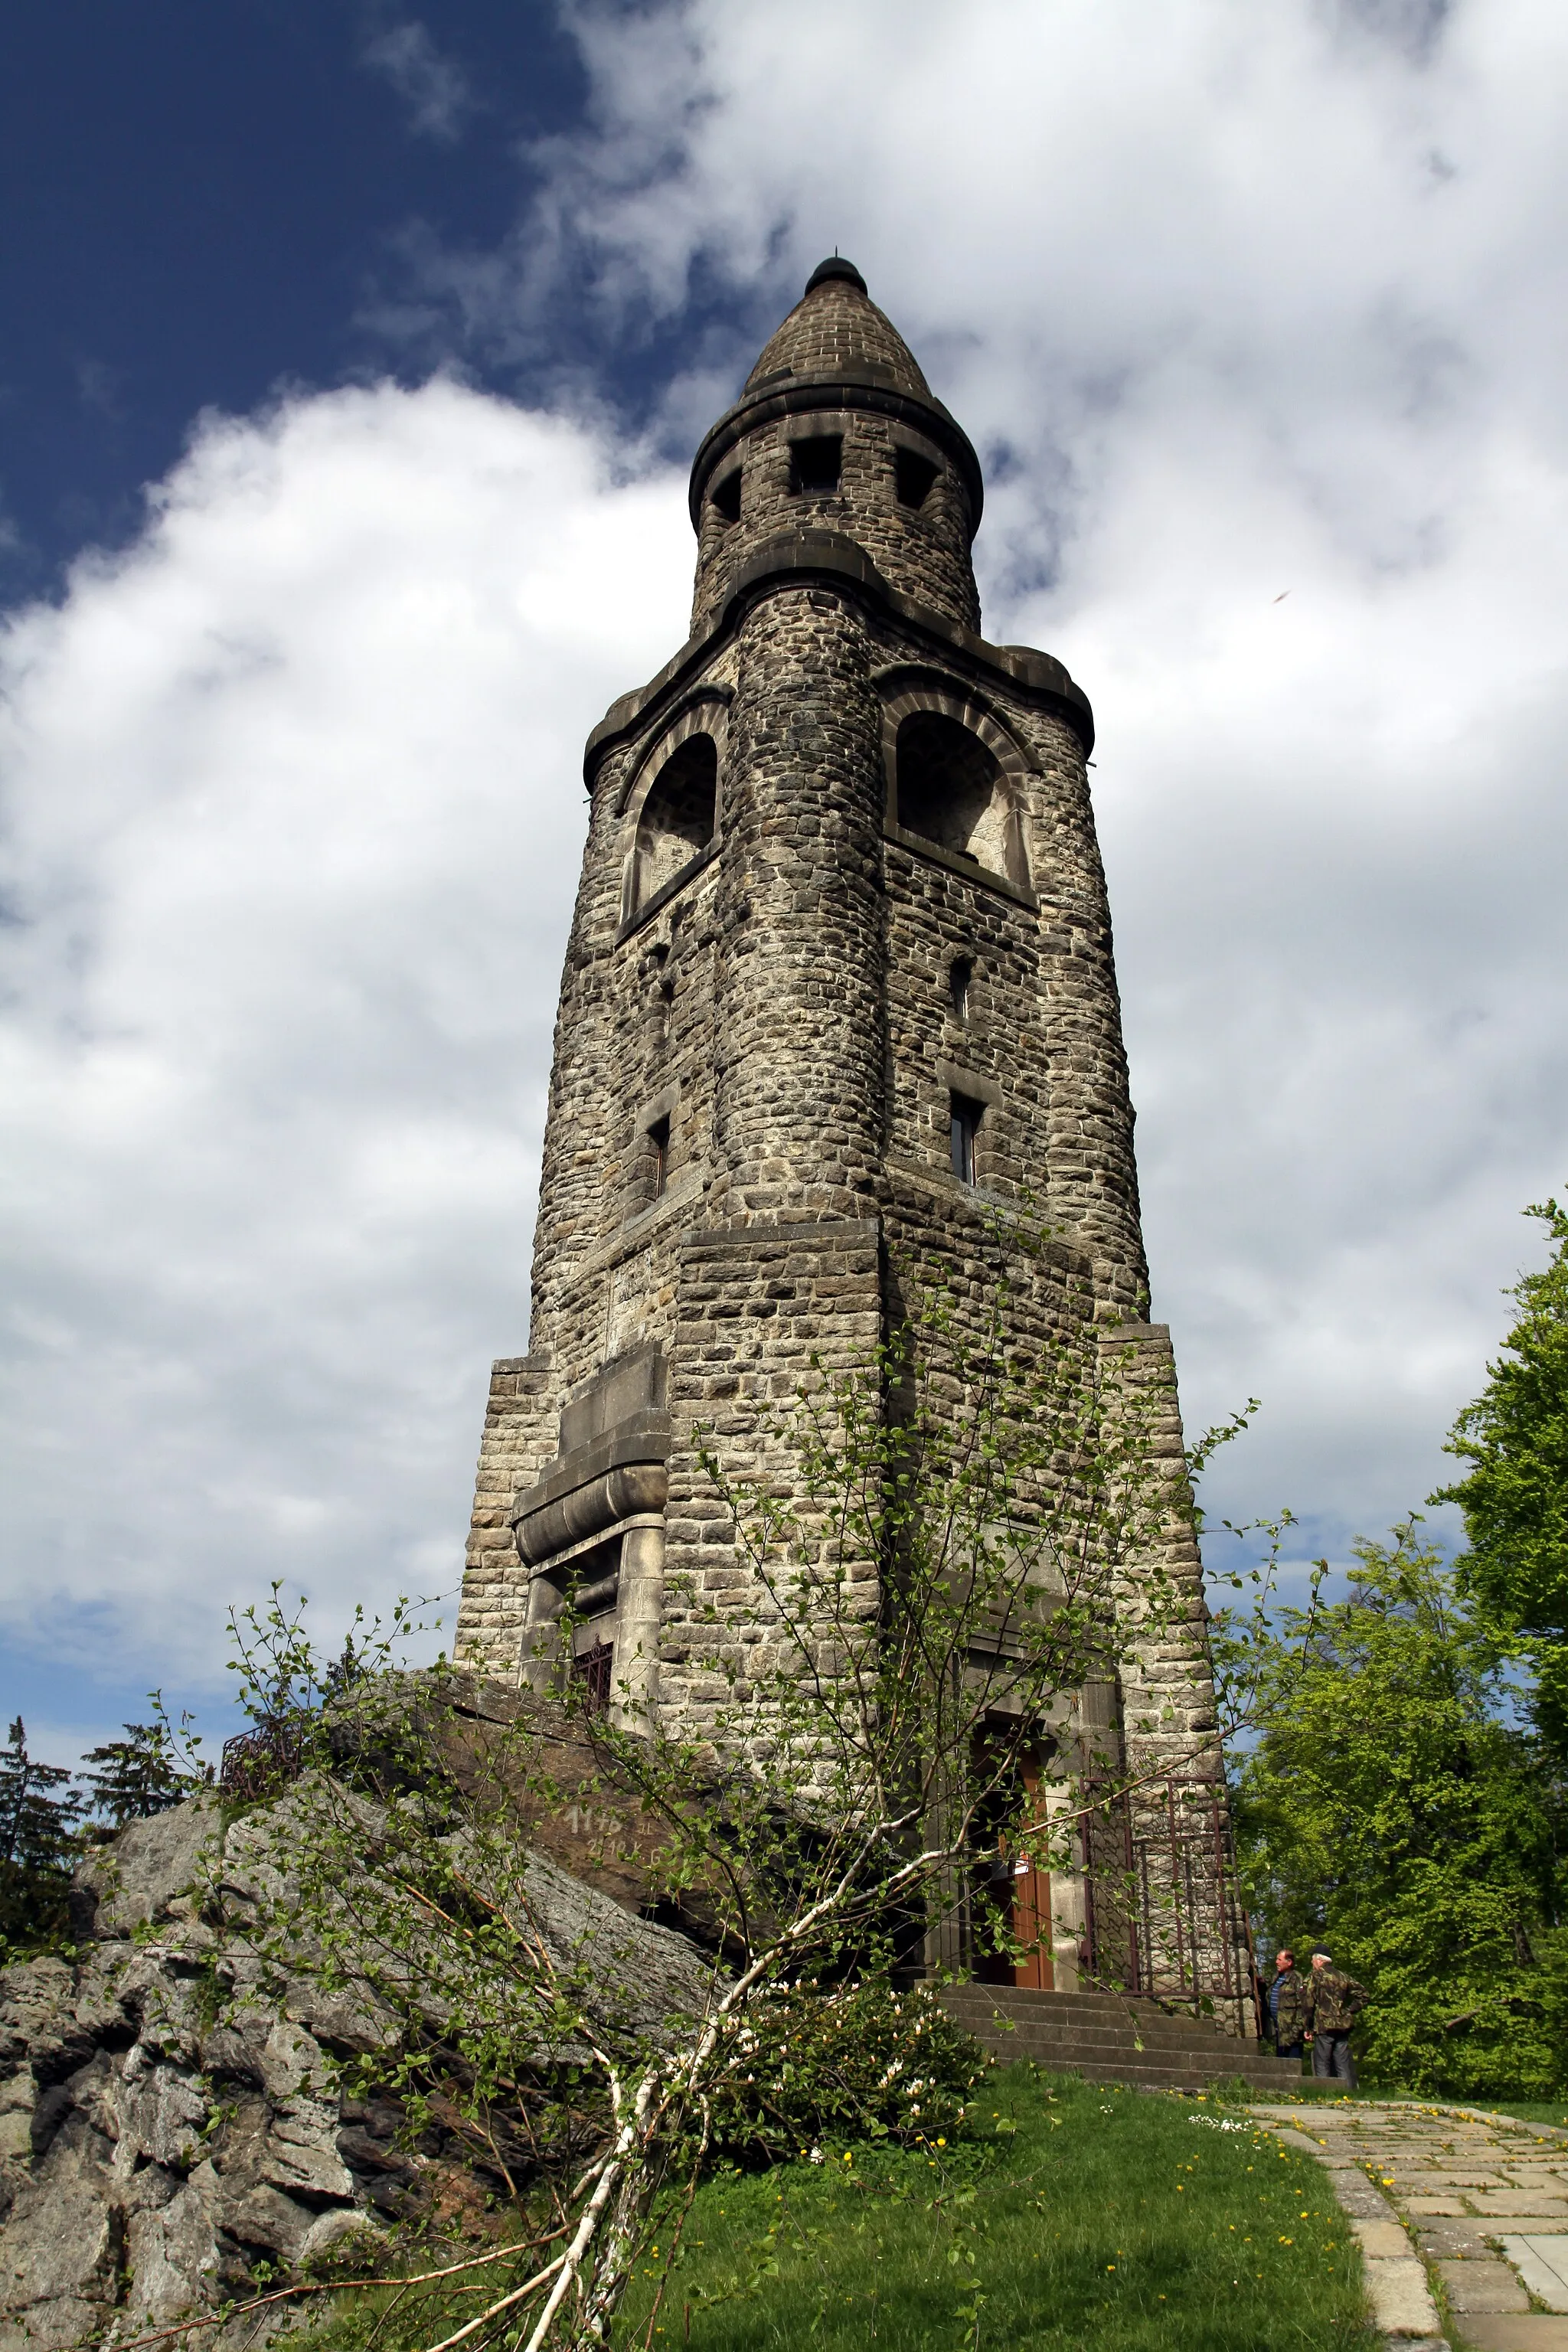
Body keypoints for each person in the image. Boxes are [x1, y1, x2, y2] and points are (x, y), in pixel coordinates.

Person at [1307, 1946, 1370, 2085]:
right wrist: (1348, 2010)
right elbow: (1364, 1995)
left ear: (1319, 1960)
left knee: (1322, 2063)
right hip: (1342, 2025)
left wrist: (1308, 2026)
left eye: (1312, 1960)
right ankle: (1347, 2094)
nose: (1312, 1963)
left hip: (1323, 2025)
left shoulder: (1315, 1976)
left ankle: (1324, 2093)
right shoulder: (1343, 1976)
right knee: (1342, 2063)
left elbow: (1309, 2003)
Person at [1268, 1947, 1309, 2062]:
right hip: (1279, 2032)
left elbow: (1303, 2005)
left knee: (1293, 2066)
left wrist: (1297, 2030)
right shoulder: (1275, 1978)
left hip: (1292, 2034)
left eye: (1279, 1960)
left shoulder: (1296, 1979)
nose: (1276, 1962)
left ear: (1289, 1962)